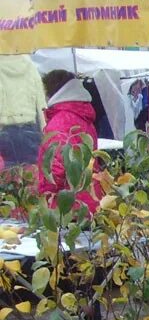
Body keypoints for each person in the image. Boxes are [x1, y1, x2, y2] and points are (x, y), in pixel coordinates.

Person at [37, 69, 102, 214]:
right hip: (89, 197)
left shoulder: (60, 121)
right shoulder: (81, 114)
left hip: (68, 204)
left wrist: (44, 195)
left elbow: (55, 169)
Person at [0, 55, 46, 165]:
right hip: (30, 128)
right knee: (31, 175)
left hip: (3, 128)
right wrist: (44, 127)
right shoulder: (30, 65)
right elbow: (41, 99)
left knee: (6, 177)